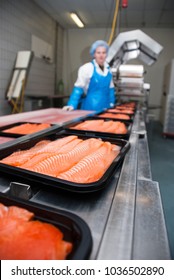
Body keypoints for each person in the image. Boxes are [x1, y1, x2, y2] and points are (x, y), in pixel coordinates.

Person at [63, 40, 116, 112]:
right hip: (90, 108)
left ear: (106, 54)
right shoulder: (87, 68)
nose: (101, 55)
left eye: (104, 53)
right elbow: (78, 89)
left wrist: (112, 103)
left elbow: (111, 89)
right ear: (94, 54)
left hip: (105, 108)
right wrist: (71, 105)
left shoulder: (108, 70)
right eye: (98, 53)